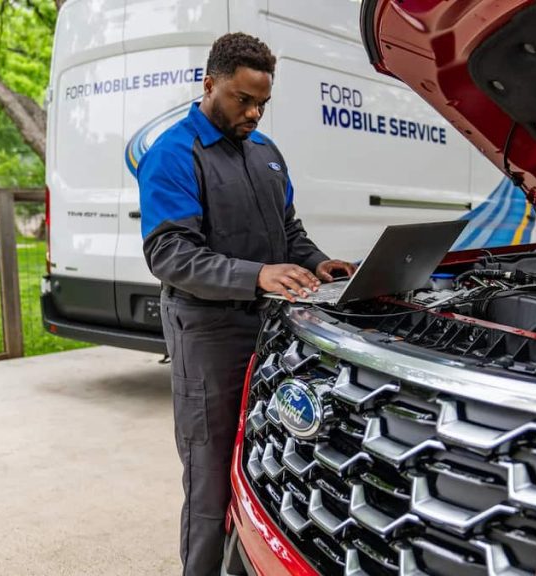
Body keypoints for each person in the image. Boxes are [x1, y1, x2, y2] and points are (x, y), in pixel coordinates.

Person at [137, 32, 355, 575]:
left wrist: (320, 263)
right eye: (243, 99)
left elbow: (290, 233)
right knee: (211, 483)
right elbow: (170, 255)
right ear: (209, 84)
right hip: (208, 336)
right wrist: (259, 275)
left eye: (263, 102)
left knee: (271, 467)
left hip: (273, 332)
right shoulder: (173, 153)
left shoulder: (266, 153)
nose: (255, 112)